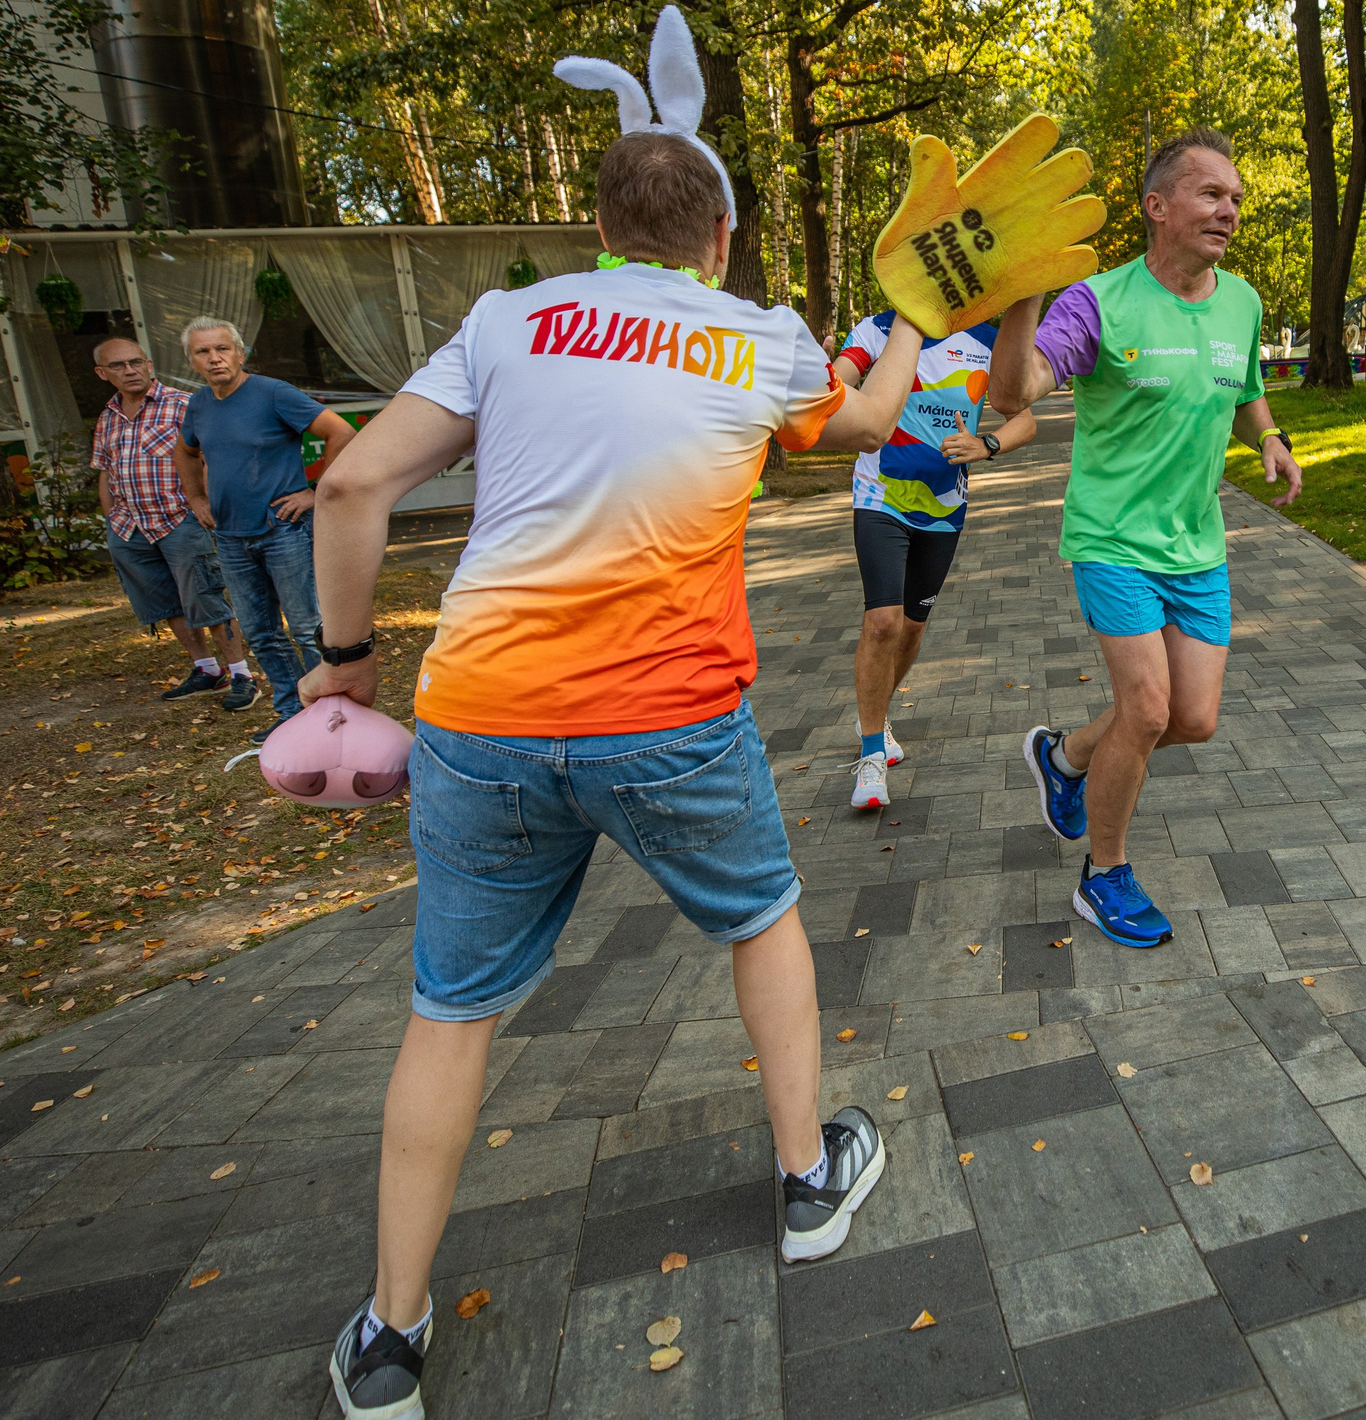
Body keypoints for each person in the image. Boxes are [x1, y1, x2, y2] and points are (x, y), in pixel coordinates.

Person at [292, 114, 923, 1419]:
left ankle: (390, 1334)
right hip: (670, 720)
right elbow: (866, 421)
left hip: (483, 714)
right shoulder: (762, 334)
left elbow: (353, 487)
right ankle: (809, 1181)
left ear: (596, 233)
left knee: (451, 1005)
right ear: (722, 237)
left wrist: (345, 664)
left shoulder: (507, 319)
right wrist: (912, 314)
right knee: (762, 918)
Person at [985, 127, 1303, 948]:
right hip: (1113, 538)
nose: (1229, 209)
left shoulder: (1243, 301)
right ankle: (1105, 874)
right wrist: (1024, 295)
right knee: (1148, 708)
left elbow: (1245, 386)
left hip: (1198, 545)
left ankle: (1064, 758)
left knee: (1192, 718)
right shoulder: (1098, 301)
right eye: (1211, 194)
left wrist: (1269, 436)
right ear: (1157, 207)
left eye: (1235, 197)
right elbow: (1014, 392)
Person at [835, 304, 1039, 810]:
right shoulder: (881, 328)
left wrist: (986, 443)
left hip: (946, 508)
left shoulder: (989, 339)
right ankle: (870, 757)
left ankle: (876, 716)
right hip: (880, 496)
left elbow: (1025, 419)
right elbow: (836, 382)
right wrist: (819, 375)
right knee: (881, 622)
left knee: (910, 628)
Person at [172, 318, 354, 742]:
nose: (214, 358)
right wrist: (196, 498)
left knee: (309, 627)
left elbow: (340, 431)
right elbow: (185, 450)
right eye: (203, 352)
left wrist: (316, 491)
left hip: (283, 529)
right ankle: (294, 713)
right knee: (261, 632)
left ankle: (333, 714)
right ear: (193, 360)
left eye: (222, 348)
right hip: (231, 537)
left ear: (239, 352)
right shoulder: (198, 404)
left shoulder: (272, 393)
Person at [88, 337, 256, 709]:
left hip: (180, 520)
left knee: (206, 598)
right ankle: (207, 670)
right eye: (118, 366)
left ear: (149, 365)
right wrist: (111, 519)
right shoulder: (108, 416)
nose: (129, 370)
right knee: (164, 603)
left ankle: (242, 675)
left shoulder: (184, 405)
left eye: (135, 362)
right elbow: (105, 469)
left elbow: (214, 457)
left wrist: (207, 505)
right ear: (103, 374)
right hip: (129, 527)